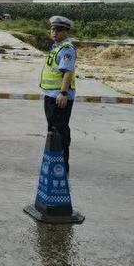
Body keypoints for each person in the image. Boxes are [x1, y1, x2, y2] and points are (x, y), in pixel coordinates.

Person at [40, 15, 76, 174]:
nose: (54, 32)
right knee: (53, 130)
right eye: (53, 29)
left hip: (59, 97)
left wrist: (63, 92)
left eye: (59, 30)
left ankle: (61, 168)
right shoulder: (56, 47)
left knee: (59, 131)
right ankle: (54, 164)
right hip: (51, 95)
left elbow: (67, 72)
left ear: (66, 32)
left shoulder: (67, 48)